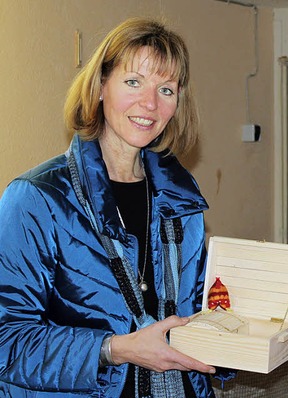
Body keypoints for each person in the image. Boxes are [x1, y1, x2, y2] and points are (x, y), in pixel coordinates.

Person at [0, 17, 233, 397]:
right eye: (133, 82)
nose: (150, 104)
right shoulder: (36, 198)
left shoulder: (182, 199)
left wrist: (241, 327)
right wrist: (114, 350)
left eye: (167, 90)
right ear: (100, 87)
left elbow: (193, 314)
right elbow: (6, 343)